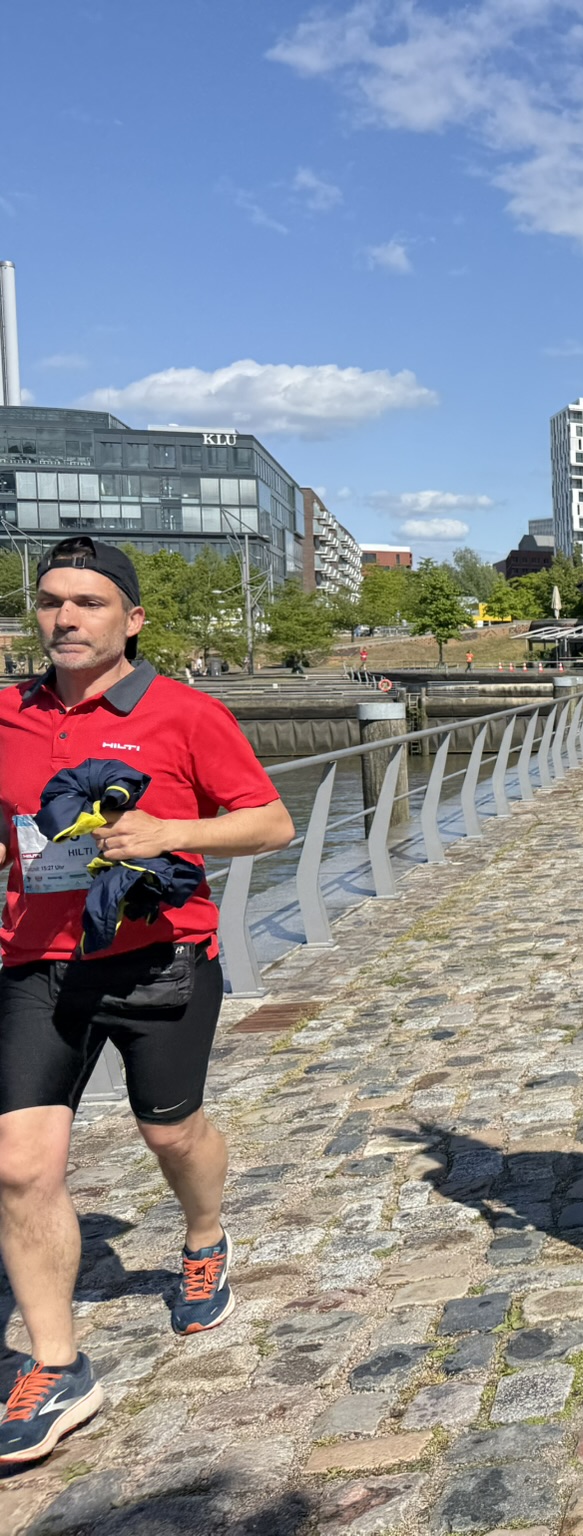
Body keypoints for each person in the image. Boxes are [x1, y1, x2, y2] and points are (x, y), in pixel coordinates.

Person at [0, 537, 295, 1465]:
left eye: (88, 602)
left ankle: (204, 1236)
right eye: (50, 601)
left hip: (156, 960)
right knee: (19, 1166)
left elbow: (272, 821)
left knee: (170, 1132)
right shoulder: (6, 713)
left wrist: (173, 828)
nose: (65, 619)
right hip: (32, 964)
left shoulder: (185, 715)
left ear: (131, 619)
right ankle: (58, 1366)